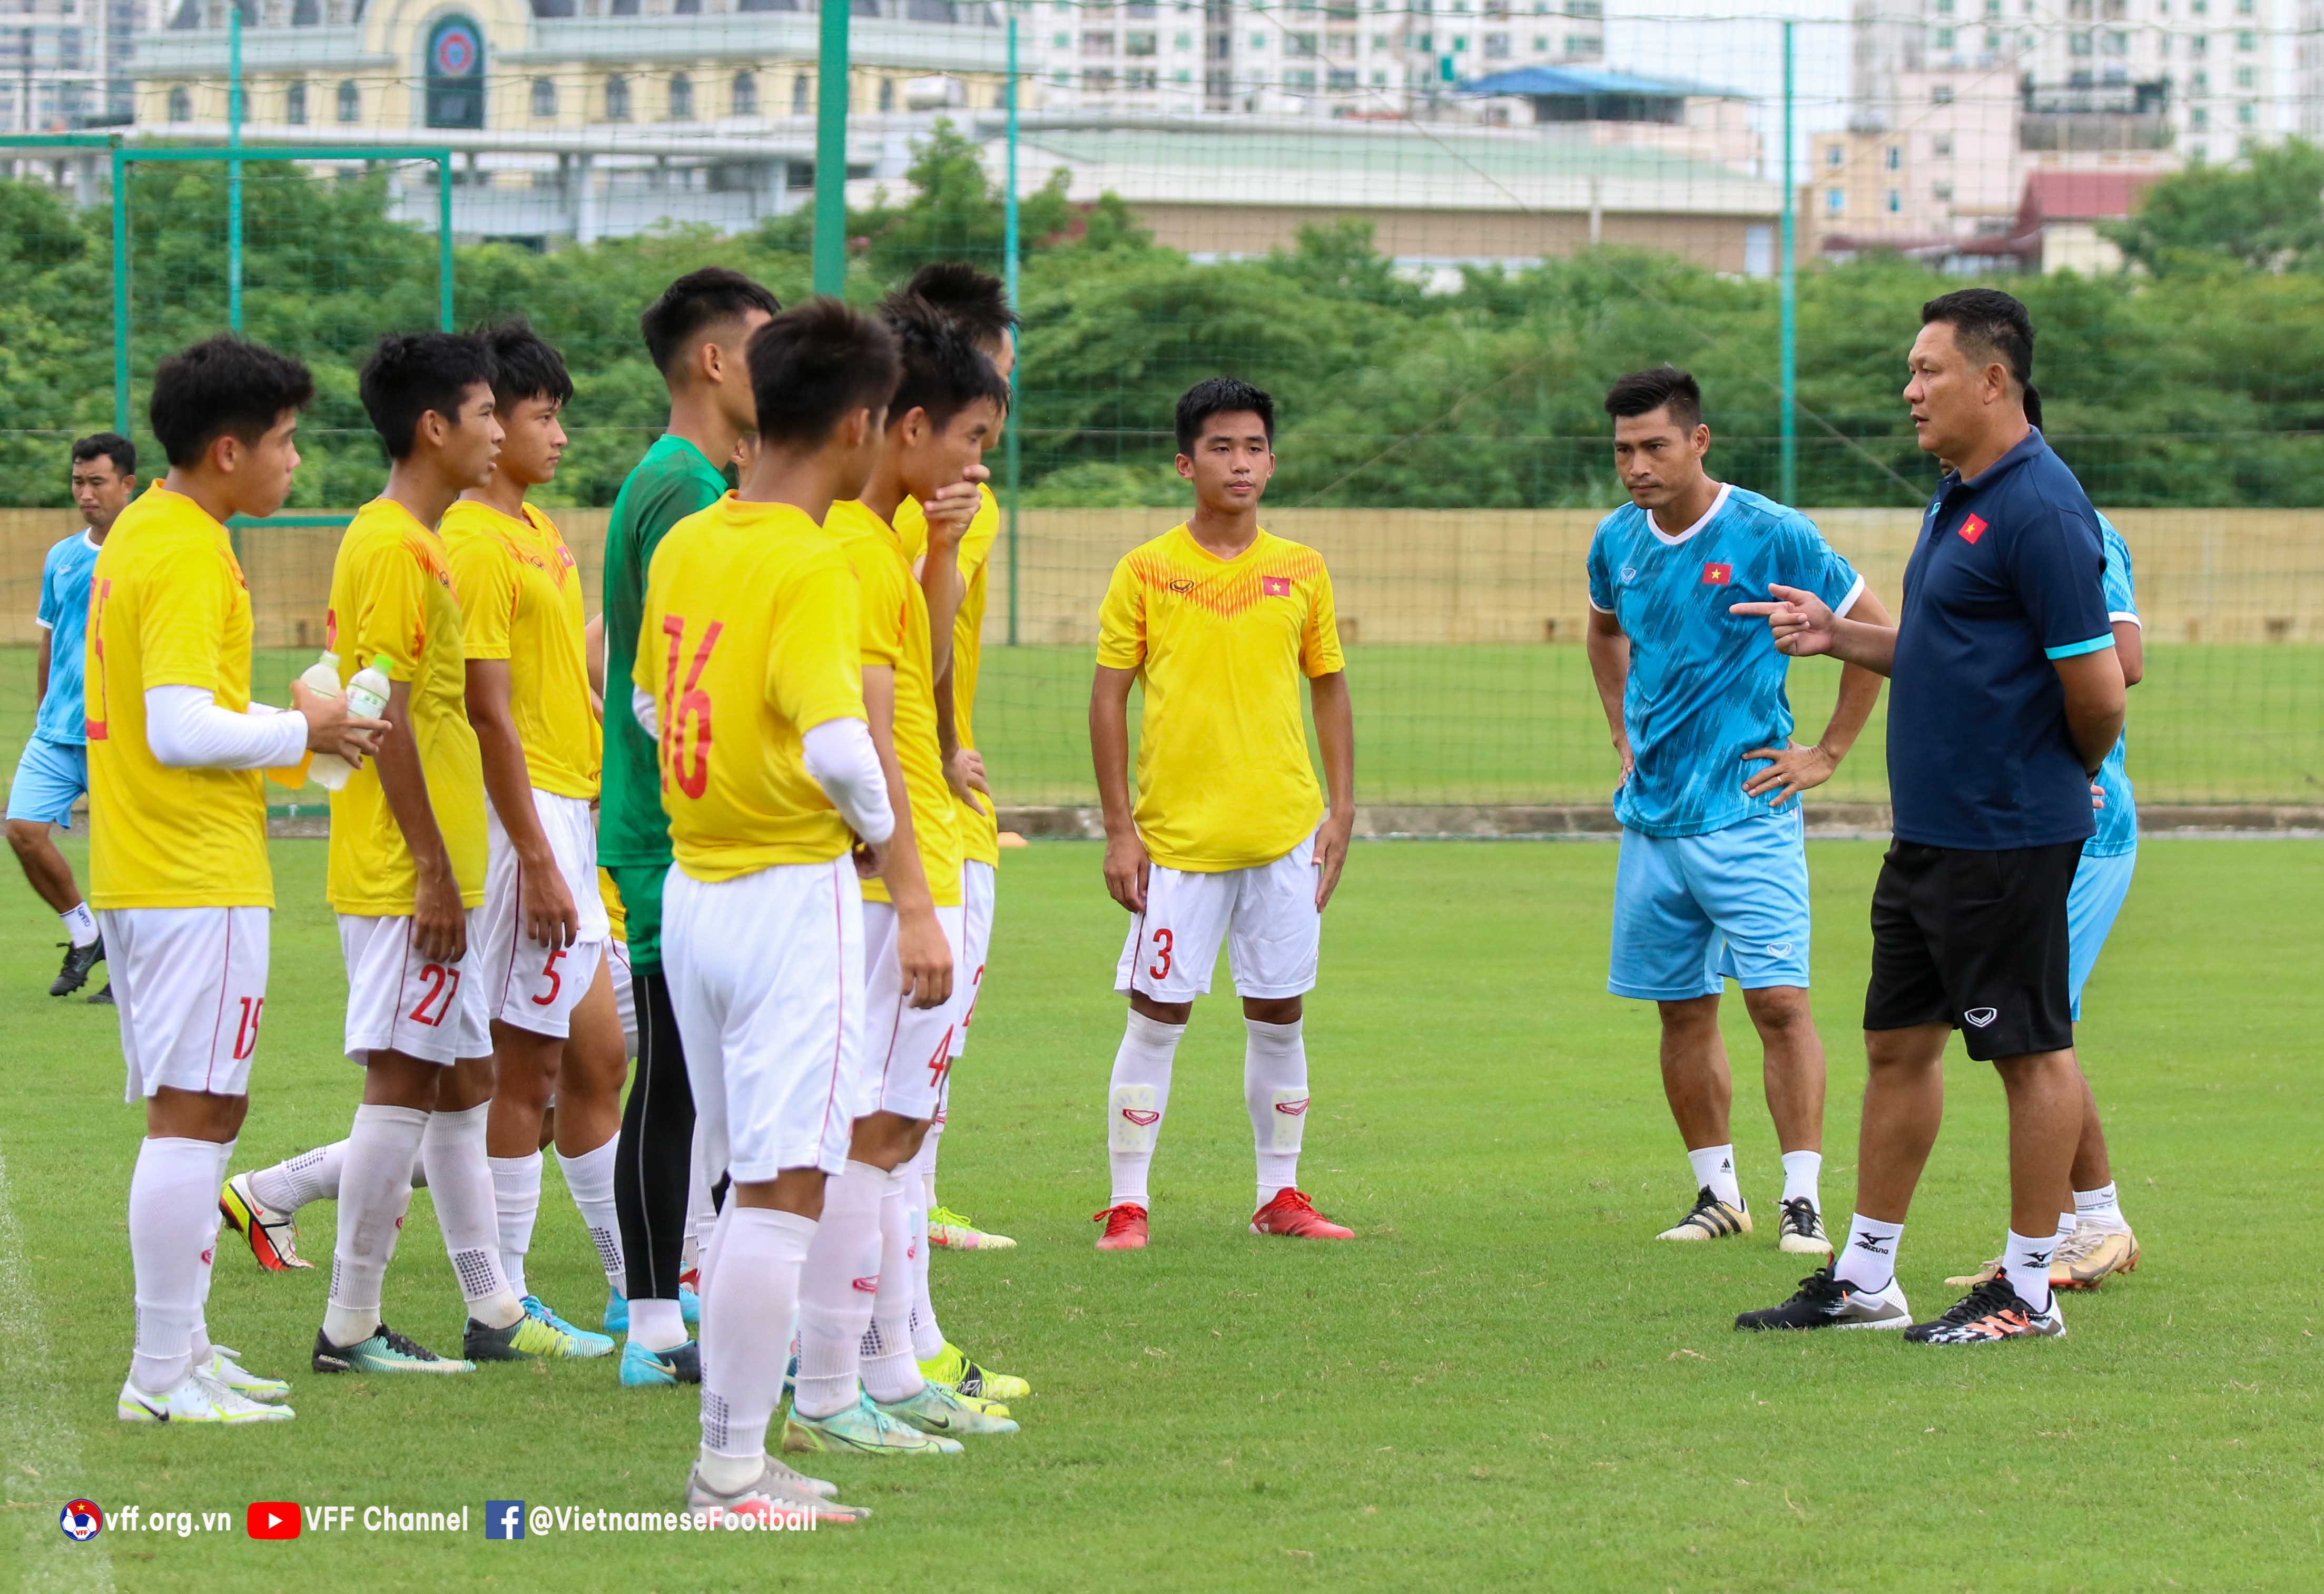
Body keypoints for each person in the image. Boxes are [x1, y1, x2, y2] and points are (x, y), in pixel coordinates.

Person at [1733, 288, 2125, 1344]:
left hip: (2006, 833)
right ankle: (1866, 1277)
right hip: (1932, 836)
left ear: (1991, 379)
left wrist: (2054, 775)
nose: (1908, 391)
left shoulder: (2041, 508)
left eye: (1927, 370)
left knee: (2028, 1052)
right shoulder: (1960, 494)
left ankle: (2029, 1289)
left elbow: (2098, 689)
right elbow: (1941, 652)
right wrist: (1834, 635)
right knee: (1896, 1045)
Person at [637, 298, 904, 1525]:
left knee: (749, 1175)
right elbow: (846, 746)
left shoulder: (696, 536)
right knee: (786, 1183)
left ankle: (740, 1454)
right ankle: (730, 1470)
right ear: (860, 424)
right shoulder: (816, 558)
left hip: (695, 892)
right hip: (791, 893)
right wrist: (882, 837)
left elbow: (648, 706)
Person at [94, 335, 381, 1422]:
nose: (296, 462)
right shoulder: (177, 548)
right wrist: (302, 723)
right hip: (186, 868)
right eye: (287, 442)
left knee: (209, 1109)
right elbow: (175, 726)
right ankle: (160, 1374)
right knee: (192, 1112)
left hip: (172, 862)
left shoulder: (166, 533)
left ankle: (187, 1350)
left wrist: (310, 744)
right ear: (228, 449)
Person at [786, 297, 1021, 1455]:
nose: (979, 462)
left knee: (897, 1127)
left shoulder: (883, 542)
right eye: (972, 437)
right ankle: (832, 1385)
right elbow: (860, 731)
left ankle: (882, 1363)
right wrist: (909, 878)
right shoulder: (833, 546)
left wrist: (937, 549)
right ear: (908, 424)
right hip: (899, 875)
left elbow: (922, 680)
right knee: (871, 1129)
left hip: (927, 855)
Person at [1584, 368, 1890, 1254]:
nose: (1636, 466)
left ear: (1699, 440)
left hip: (1746, 811)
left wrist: (1825, 753)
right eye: (1622, 451)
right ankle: (1716, 1194)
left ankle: (1803, 1200)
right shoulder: (1616, 541)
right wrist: (1619, 730)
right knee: (1680, 1009)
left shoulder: (1772, 534)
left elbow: (1872, 632)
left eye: (1653, 446)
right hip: (1651, 822)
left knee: (1779, 1006)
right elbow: (1603, 630)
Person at [1088, 377, 1357, 1253]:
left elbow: (1330, 690)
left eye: (1252, 447)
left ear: (1271, 460)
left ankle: (1278, 1194)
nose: (1238, 463)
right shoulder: (1147, 570)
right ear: (1185, 462)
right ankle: (1129, 1202)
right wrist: (1120, 828)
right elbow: (1107, 700)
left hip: (1282, 833)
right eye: (1219, 447)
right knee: (1155, 1016)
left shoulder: (1303, 569)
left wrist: (1341, 807)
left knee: (1280, 1014)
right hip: (1177, 842)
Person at [602, 268, 780, 1382]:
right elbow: (661, 683)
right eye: (766, 344)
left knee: (697, 1076)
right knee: (670, 1076)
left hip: (676, 819)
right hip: (669, 828)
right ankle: (652, 1323)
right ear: (713, 361)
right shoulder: (678, 487)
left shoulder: (692, 476)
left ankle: (686, 1305)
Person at [440, 319, 626, 1362]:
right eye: (539, 416)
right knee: (528, 1069)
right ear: (482, 423)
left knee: (596, 1058)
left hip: (567, 808)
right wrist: (541, 853)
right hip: (526, 823)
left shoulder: (538, 530)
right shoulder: (470, 539)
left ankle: (630, 1286)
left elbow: (561, 686)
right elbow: (486, 711)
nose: (557, 435)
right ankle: (499, 1306)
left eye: (559, 416)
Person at [1947, 499, 2145, 1294]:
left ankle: (2094, 1222)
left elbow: (2121, 660)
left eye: (1931, 373)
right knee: (2031, 1033)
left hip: (2081, 824)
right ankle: (2075, 1227)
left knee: (2034, 1033)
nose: (1914, 396)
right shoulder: (1961, 522)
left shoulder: (2072, 526)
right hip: (2008, 824)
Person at [891, 261, 1018, 1258]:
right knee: (923, 1021)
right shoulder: (945, 501)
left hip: (920, 781)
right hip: (919, 806)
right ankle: (909, 1207)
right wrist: (941, 747)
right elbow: (914, 646)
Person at [11, 433, 134, 1003]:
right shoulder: (61, 556)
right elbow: (50, 639)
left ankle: (128, 972)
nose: (85, 493)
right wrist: (41, 713)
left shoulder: (144, 551)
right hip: (57, 731)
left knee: (124, 856)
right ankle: (85, 933)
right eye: (78, 482)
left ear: (127, 484)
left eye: (97, 482)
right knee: (23, 830)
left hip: (119, 732)